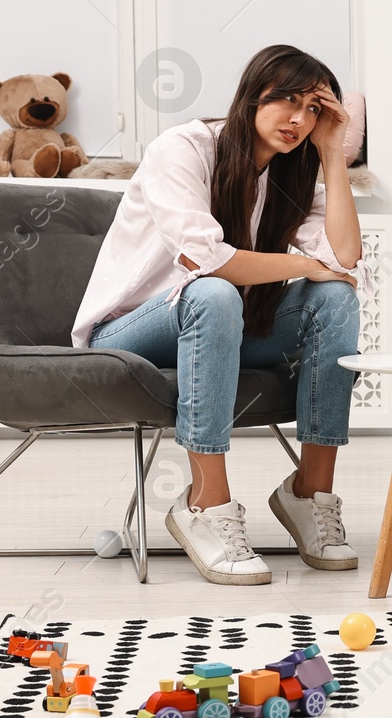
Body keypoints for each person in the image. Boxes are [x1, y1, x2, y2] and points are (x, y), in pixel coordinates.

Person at [72, 45, 366, 586]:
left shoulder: (295, 173)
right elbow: (208, 262)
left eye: (314, 110)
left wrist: (332, 156)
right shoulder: (183, 148)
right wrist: (304, 263)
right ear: (254, 95)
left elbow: (344, 263)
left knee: (336, 299)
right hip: (134, 331)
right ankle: (207, 505)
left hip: (224, 325)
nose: (299, 119)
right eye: (288, 101)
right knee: (212, 291)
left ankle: (310, 493)